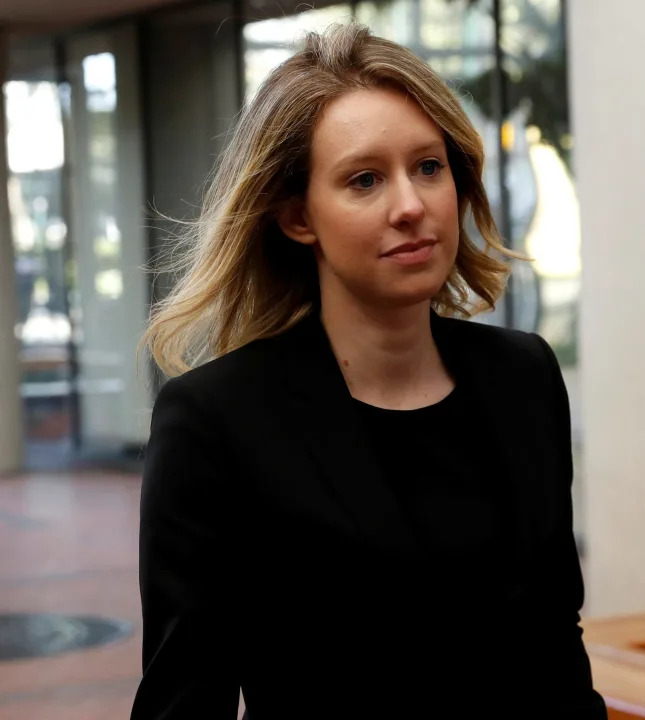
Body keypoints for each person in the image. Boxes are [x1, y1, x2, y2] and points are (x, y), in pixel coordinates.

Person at [130, 21, 606, 720]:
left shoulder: (522, 376)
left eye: (428, 167)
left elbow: (555, 647)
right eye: (364, 180)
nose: (411, 206)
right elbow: (183, 703)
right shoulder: (216, 422)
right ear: (298, 218)